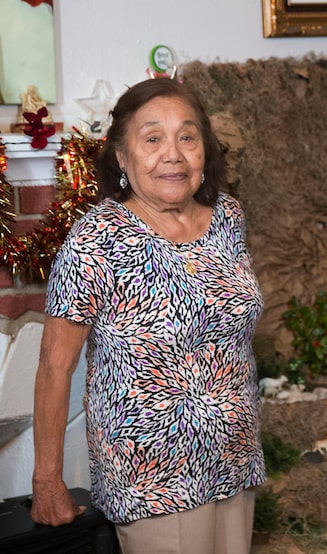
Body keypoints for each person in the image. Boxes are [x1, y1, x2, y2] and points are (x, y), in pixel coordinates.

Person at [30, 79, 265, 553]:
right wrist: (48, 482)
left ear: (205, 151)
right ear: (122, 156)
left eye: (187, 136)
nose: (173, 154)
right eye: (153, 138)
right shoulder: (97, 240)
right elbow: (55, 366)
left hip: (235, 460)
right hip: (153, 478)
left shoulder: (228, 217)